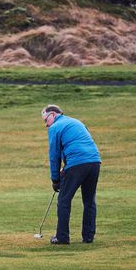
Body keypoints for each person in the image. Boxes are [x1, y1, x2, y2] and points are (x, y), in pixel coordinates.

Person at [42, 104, 101, 245]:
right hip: (94, 162)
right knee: (89, 200)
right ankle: (88, 236)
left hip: (78, 162)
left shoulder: (55, 127)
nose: (46, 125)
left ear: (53, 115)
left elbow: (54, 155)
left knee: (64, 200)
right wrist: (67, 165)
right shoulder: (76, 121)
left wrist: (55, 179)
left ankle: (62, 237)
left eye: (46, 120)